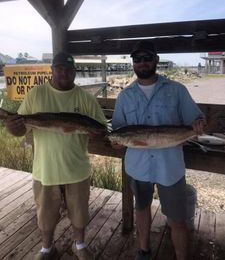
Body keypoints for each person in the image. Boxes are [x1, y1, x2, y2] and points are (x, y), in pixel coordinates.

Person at [5, 52, 107, 260]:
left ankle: (79, 245)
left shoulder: (85, 98)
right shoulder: (36, 94)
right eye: (60, 68)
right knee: (45, 214)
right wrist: (12, 126)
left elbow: (101, 130)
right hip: (45, 168)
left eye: (69, 69)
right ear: (51, 70)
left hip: (76, 168)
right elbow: (19, 131)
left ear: (75, 72)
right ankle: (46, 249)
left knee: (79, 213)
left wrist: (98, 133)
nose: (64, 73)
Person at [111, 40, 205, 260]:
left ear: (156, 60)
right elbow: (118, 130)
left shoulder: (177, 90)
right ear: (133, 63)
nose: (142, 63)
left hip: (169, 167)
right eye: (137, 59)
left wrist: (199, 123)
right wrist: (116, 141)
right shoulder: (125, 96)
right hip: (137, 168)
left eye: (147, 58)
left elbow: (195, 118)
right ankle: (144, 250)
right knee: (141, 209)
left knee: (177, 219)